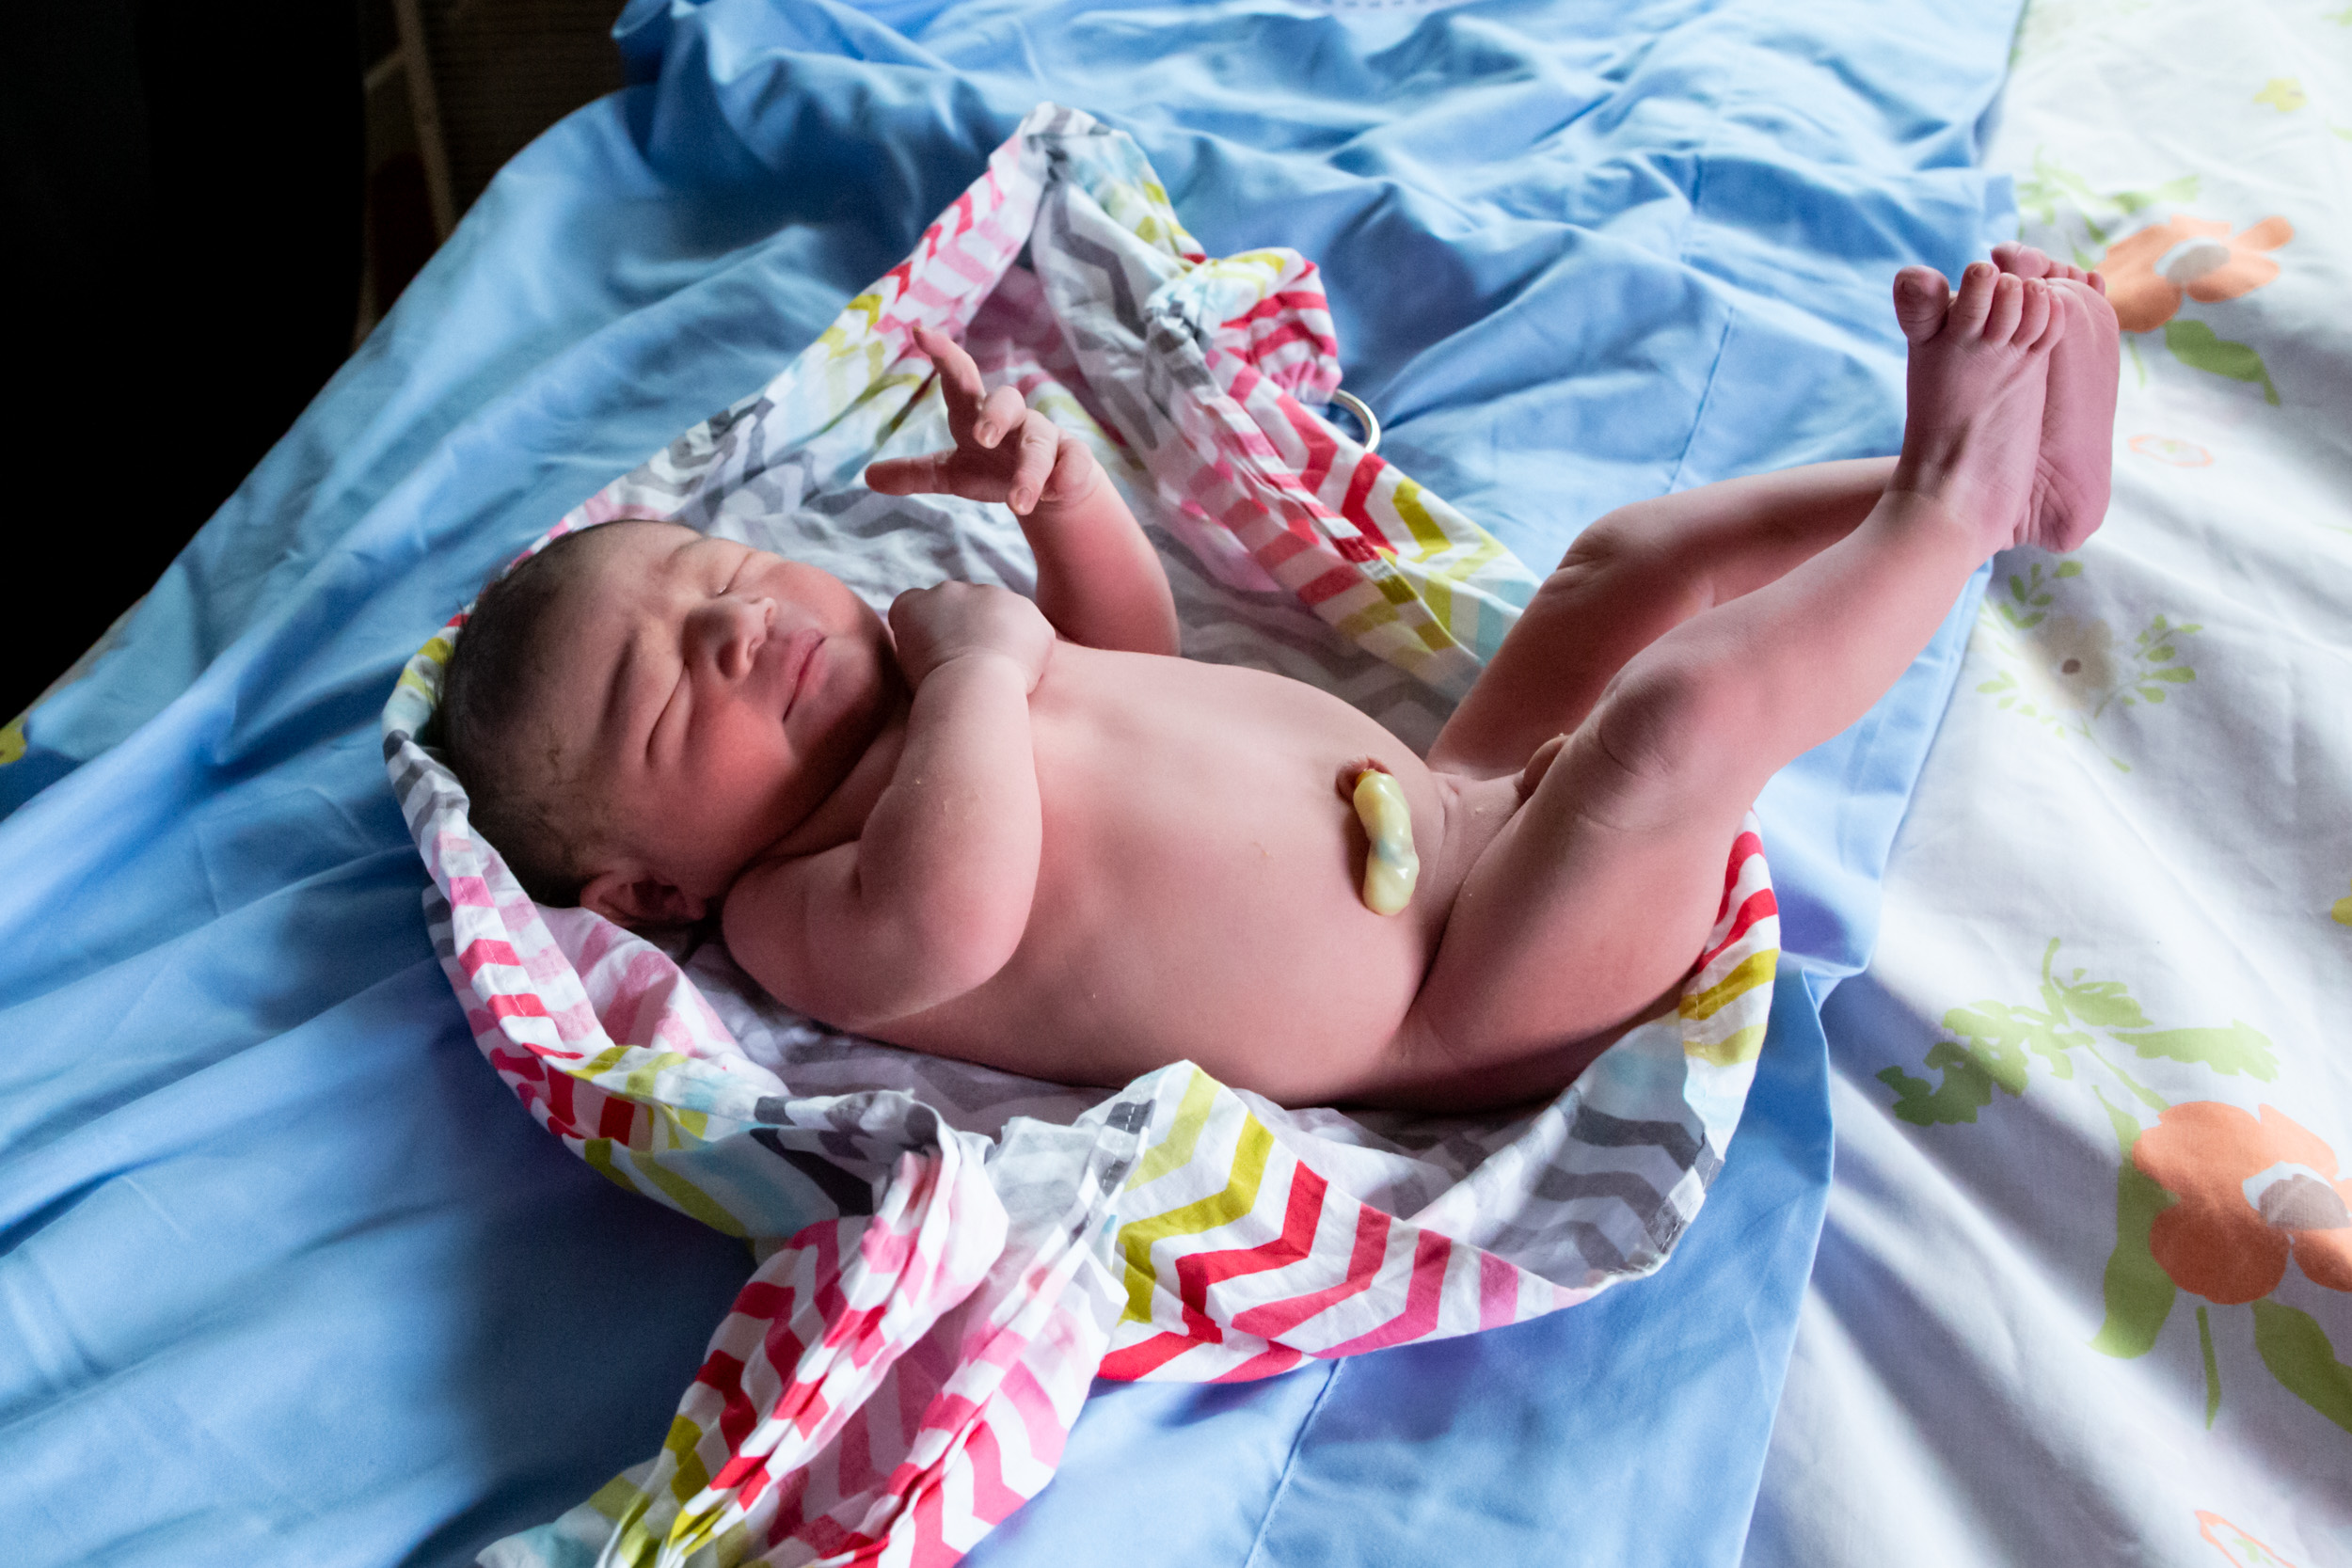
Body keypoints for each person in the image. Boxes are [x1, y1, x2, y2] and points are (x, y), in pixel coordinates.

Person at [437, 245, 2121, 1113]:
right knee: (1670, 725)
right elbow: (953, 918)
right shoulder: (795, 907)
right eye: (667, 697)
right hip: (1464, 990)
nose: (733, 631)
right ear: (647, 886)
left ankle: (2004, 487)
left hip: (1457, 790)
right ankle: (1945, 510)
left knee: (1628, 561)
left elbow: (1139, 663)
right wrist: (978, 667)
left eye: (721, 581)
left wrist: (1062, 506)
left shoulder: (951, 672)